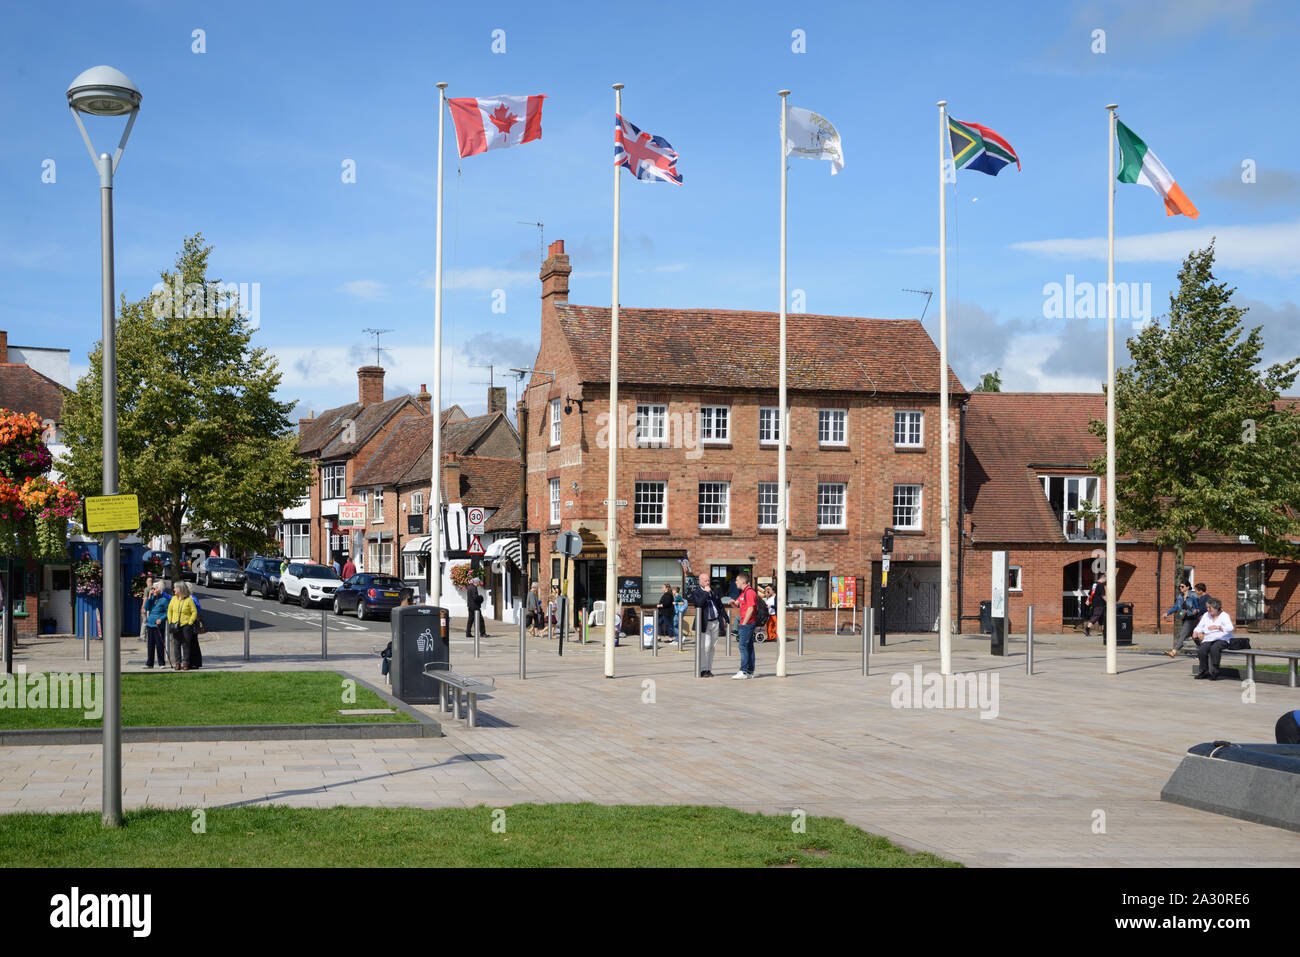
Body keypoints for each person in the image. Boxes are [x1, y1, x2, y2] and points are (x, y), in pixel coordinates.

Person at [688, 574, 728, 678]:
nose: (708, 583)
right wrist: (706, 592)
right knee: (705, 646)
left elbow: (719, 605)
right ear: (700, 581)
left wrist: (725, 617)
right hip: (704, 622)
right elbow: (699, 604)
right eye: (705, 581)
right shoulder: (696, 592)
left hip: (715, 621)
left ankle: (709, 669)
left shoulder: (714, 591)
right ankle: (702, 669)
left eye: (709, 580)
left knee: (712, 647)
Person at [1192, 598, 1234, 680]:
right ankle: (1204, 671)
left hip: (1222, 638)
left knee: (1214, 648)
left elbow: (1230, 628)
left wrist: (1218, 627)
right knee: (1202, 650)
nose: (1208, 609)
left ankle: (1215, 672)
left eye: (1210, 608)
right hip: (1209, 638)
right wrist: (1195, 631)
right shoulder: (1206, 615)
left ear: (1216, 608)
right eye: (1207, 607)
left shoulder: (1224, 615)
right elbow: (1200, 626)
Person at [1163, 581, 1204, 658]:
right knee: (1194, 636)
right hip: (1185, 618)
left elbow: (1198, 607)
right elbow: (1175, 607)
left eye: (1182, 586)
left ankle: (1173, 652)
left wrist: (1195, 611)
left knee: (1182, 635)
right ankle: (1204, 649)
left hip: (1192, 619)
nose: (1180, 588)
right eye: (1180, 587)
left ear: (1188, 587)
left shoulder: (1193, 596)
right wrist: (1167, 613)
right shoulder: (1180, 597)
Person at [730, 571, 759, 679]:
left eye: (737, 580)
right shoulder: (743, 592)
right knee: (749, 647)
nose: (735, 582)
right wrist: (733, 602)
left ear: (742, 581)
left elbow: (751, 609)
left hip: (747, 623)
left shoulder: (750, 592)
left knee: (743, 646)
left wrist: (743, 623)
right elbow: (737, 605)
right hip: (745, 623)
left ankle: (743, 671)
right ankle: (750, 671)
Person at [167, 581, 199, 671]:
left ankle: (185, 663)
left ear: (180, 589)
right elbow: (169, 610)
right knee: (176, 644)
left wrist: (190, 622)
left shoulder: (189, 600)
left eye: (175, 588)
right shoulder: (173, 599)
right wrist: (170, 621)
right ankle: (177, 663)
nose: (174, 590)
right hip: (175, 625)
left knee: (185, 644)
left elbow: (194, 612)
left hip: (186, 625)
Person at [141, 580, 170, 669]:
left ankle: (161, 663)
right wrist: (149, 597)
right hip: (150, 624)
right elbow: (146, 608)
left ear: (160, 589)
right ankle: (150, 663)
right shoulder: (153, 599)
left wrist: (161, 619)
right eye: (153, 588)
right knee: (150, 644)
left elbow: (168, 612)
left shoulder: (164, 600)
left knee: (159, 644)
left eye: (155, 588)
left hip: (158, 625)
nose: (153, 590)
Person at [1083, 573, 1106, 637]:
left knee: (1102, 617)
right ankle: (1087, 628)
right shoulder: (1101, 585)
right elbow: (1103, 595)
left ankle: (1103, 631)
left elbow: (1090, 593)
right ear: (1103, 578)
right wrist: (1110, 602)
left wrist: (1087, 600)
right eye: (1106, 580)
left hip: (1094, 603)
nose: (1106, 581)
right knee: (1096, 615)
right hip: (1100, 603)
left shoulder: (1094, 584)